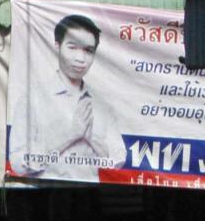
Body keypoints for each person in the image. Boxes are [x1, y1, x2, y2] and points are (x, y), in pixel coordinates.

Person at [11, 12, 122, 179]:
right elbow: (18, 163)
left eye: (88, 50)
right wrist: (69, 135)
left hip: (90, 194)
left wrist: (91, 137)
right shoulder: (33, 99)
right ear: (57, 46)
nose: (80, 58)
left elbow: (118, 160)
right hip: (42, 194)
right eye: (72, 48)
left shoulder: (102, 105)